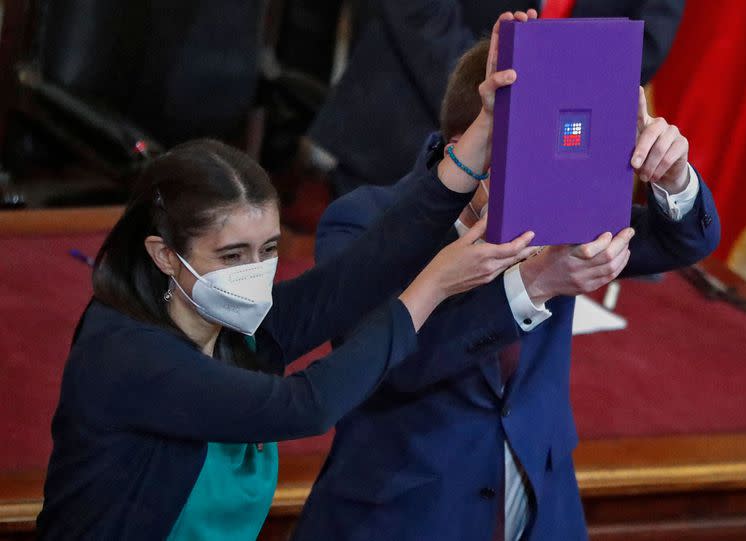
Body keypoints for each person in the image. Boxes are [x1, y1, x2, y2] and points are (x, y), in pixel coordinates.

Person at [35, 14, 537, 538]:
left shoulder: (222, 325)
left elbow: (353, 278)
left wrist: (482, 132)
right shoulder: (126, 351)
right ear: (164, 255)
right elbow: (306, 407)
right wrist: (430, 287)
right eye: (231, 255)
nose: (253, 271)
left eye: (268, 248)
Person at [292, 26, 721, 541]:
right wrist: (532, 286)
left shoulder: (556, 201)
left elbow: (683, 242)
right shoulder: (360, 222)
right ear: (466, 147)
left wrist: (674, 177)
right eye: (523, 159)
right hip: (403, 510)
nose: (546, 178)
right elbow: (391, 368)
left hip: (541, 504)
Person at [306, 0, 684, 195]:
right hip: (406, 123)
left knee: (488, 337)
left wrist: (542, 111)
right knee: (370, 326)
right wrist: (494, 94)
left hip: (547, 159)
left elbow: (644, 43)